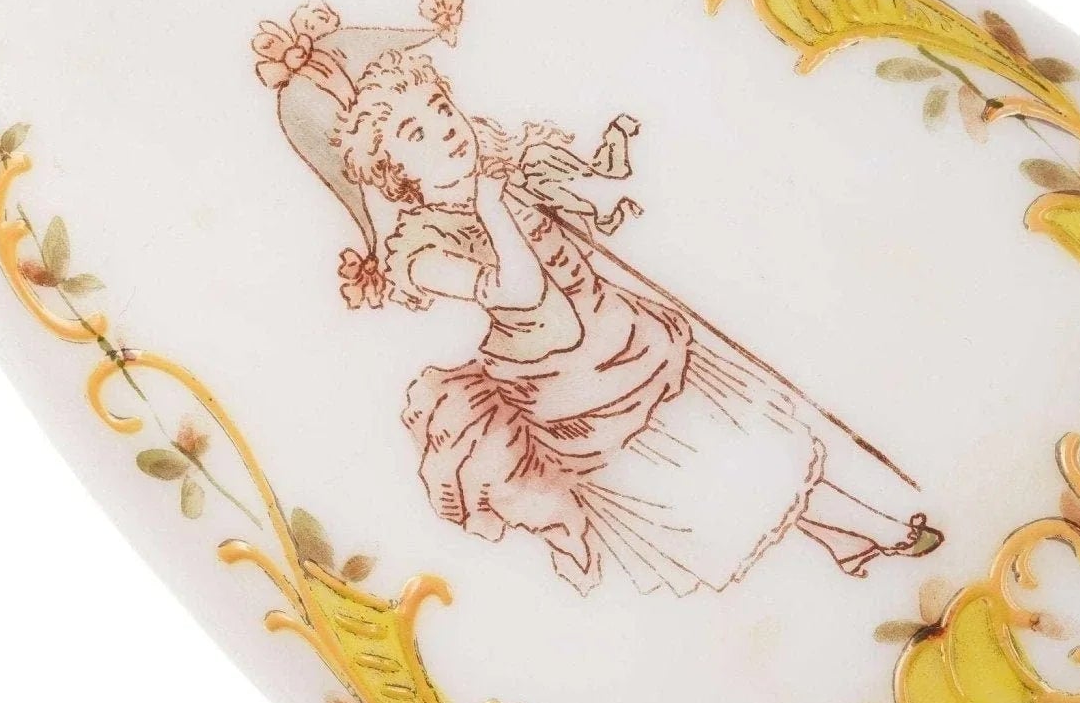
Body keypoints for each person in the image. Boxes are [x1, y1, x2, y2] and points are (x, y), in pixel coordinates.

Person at [332, 48, 941, 596]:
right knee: (724, 470)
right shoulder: (419, 251)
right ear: (394, 172)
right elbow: (518, 291)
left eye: (441, 109)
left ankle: (850, 537)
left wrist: (591, 192)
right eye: (416, 133)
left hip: (629, 337)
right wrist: (493, 205)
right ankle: (871, 529)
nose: (444, 130)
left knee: (749, 447)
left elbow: (584, 213)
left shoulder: (503, 177)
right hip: (574, 391)